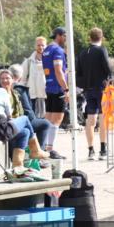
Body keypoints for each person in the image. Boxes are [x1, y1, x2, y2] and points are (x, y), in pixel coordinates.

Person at [1, 67, 55, 166]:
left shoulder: (15, 93)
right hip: (7, 124)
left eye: (7, 78)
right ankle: (37, 151)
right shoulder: (1, 94)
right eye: (2, 79)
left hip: (16, 122)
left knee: (26, 130)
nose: (5, 80)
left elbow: (22, 110)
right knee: (39, 123)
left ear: (13, 79)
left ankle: (18, 165)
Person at [77, 27, 112, 161]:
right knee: (103, 118)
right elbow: (108, 69)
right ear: (101, 37)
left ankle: (91, 150)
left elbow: (78, 72)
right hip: (101, 88)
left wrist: (84, 84)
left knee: (90, 120)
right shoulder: (101, 50)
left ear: (89, 38)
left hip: (88, 89)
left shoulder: (82, 53)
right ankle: (103, 150)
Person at [41, 27, 69, 157]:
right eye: (64, 36)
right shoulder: (58, 50)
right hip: (58, 88)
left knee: (49, 118)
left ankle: (44, 147)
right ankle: (49, 149)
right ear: (59, 35)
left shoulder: (46, 50)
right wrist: (66, 89)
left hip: (49, 86)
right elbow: (58, 71)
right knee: (57, 119)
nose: (66, 38)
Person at [20, 37, 47, 118]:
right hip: (32, 96)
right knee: (32, 119)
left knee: (46, 120)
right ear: (35, 46)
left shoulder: (50, 60)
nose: (41, 47)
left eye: (43, 45)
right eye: (38, 45)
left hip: (46, 96)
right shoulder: (28, 62)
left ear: (46, 46)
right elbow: (22, 79)